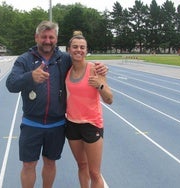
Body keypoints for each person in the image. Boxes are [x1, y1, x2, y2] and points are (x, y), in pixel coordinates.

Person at [6, 21, 108, 188]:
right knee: (28, 165)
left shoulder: (64, 59)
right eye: (44, 37)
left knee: (50, 163)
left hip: (57, 124)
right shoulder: (24, 60)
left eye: (51, 37)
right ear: (36, 37)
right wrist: (30, 76)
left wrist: (101, 67)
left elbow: (81, 62)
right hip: (32, 123)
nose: (47, 40)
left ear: (56, 39)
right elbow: (10, 84)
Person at [65, 31, 113, 188]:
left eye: (82, 47)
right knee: (82, 166)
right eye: (75, 47)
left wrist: (99, 85)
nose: (78, 50)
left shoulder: (95, 69)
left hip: (92, 124)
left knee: (94, 173)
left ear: (86, 50)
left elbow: (109, 99)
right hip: (72, 124)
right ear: (69, 50)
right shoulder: (67, 69)